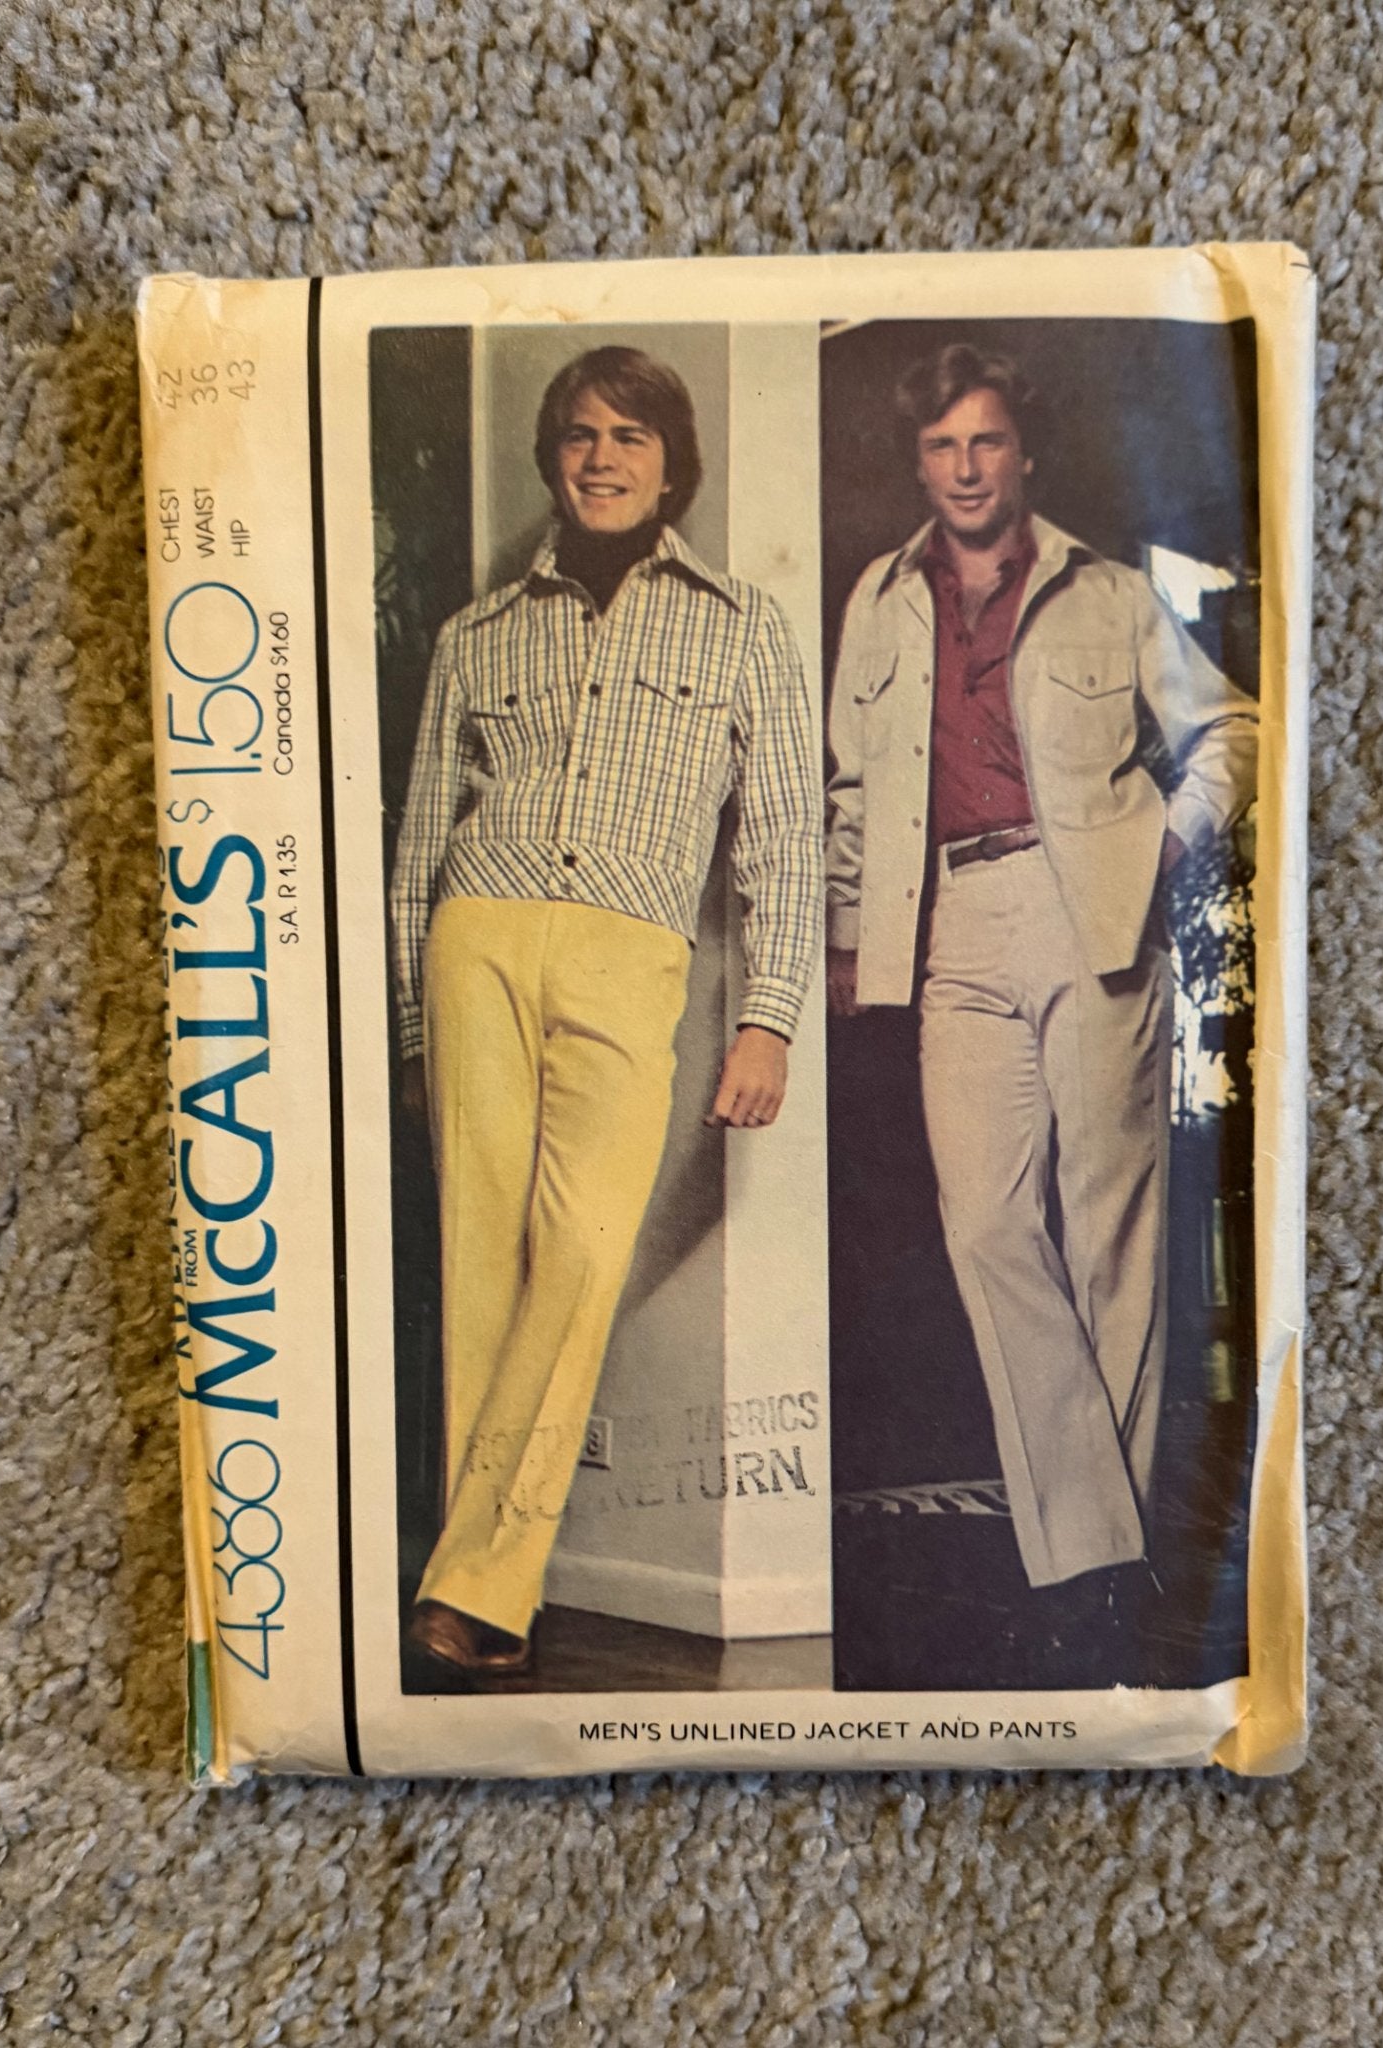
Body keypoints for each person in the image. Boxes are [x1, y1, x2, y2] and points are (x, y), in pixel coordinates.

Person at [391, 345, 821, 1679]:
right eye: (581, 434)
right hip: (478, 937)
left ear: (671, 465)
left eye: (630, 436)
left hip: (630, 957)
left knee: (580, 1257)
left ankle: (468, 1572)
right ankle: (480, 1593)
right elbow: (416, 853)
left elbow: (786, 841)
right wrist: (412, 1030)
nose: (602, 457)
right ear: (552, 459)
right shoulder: (475, 635)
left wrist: (769, 1017)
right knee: (478, 1264)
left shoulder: (742, 625)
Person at [824, 343, 1257, 1593]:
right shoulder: (877, 599)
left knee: (1110, 1223)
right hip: (948, 920)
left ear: (1023, 454)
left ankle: (1090, 1575)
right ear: (918, 463)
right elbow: (850, 788)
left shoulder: (1107, 593)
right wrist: (847, 929)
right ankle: (1099, 1531)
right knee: (985, 1223)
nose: (964, 467)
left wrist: (1169, 840)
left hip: (1091, 910)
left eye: (985, 440)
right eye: (941, 446)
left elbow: (1232, 724)